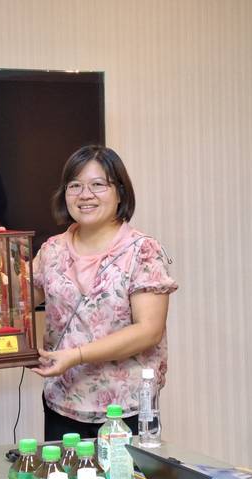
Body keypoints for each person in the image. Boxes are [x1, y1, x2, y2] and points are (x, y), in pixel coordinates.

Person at [31, 145, 177, 441]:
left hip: (126, 409)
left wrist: (76, 356)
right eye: (75, 186)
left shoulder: (142, 251)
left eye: (98, 185)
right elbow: (15, 305)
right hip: (62, 402)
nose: (85, 195)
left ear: (120, 192)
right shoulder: (52, 250)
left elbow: (149, 330)